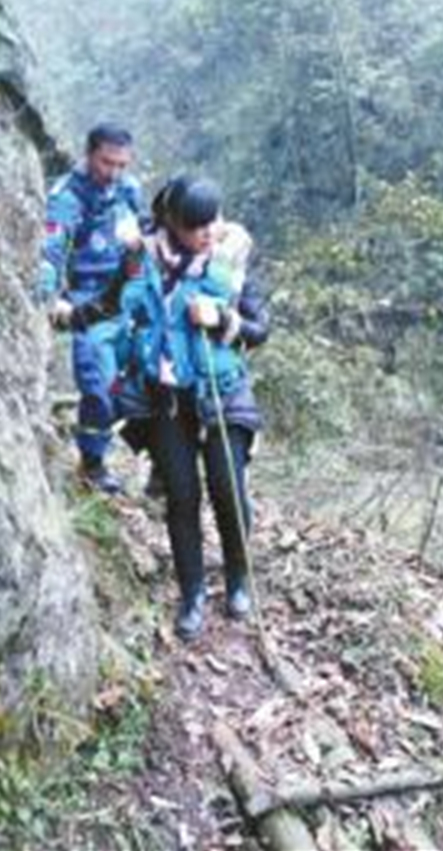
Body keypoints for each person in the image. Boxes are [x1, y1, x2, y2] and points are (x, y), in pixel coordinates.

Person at [117, 177, 269, 642]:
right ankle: (193, 592)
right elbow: (115, 303)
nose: (207, 231)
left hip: (223, 391)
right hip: (166, 399)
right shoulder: (143, 256)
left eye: (213, 220)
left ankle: (239, 579)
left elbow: (259, 329)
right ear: (172, 222)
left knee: (227, 486)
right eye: (195, 225)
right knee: (181, 496)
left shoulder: (232, 257)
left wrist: (223, 318)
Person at [36, 122, 145, 493]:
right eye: (106, 162)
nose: (113, 172)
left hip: (129, 291)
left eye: (121, 164)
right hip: (87, 298)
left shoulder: (128, 190)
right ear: (89, 154)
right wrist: (51, 293)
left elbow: (142, 231)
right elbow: (53, 247)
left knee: (146, 378)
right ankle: (93, 462)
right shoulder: (67, 196)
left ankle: (160, 469)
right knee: (98, 383)